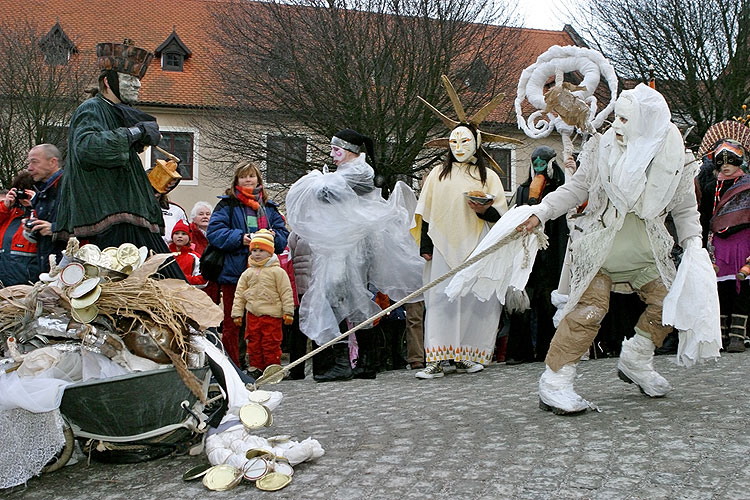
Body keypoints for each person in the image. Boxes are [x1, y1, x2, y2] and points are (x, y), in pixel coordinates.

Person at [518, 84, 705, 414]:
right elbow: (577, 188)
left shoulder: (676, 159)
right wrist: (541, 212)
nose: (616, 125)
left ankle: (637, 359)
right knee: (588, 312)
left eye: (625, 119)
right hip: (600, 253)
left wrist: (694, 248)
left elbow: (686, 210)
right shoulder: (602, 148)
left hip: (648, 256)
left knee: (671, 304)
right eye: (616, 116)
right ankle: (555, 382)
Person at [286, 128, 423, 382]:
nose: (332, 155)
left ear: (351, 151)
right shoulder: (347, 173)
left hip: (350, 250)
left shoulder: (361, 172)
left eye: (336, 150)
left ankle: (347, 362)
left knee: (343, 299)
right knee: (346, 301)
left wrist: (318, 184)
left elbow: (329, 195)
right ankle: (358, 363)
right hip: (342, 248)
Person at [411, 77, 515, 379]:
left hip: (477, 245)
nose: (458, 147)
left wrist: (485, 211)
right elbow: (425, 212)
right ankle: (437, 358)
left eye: (465, 141)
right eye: (454, 141)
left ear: (477, 144)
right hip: (442, 246)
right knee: (441, 300)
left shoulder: (489, 178)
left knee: (473, 301)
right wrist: (426, 247)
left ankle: (469, 354)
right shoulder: (437, 175)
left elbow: (501, 216)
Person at [54, 39, 184, 279]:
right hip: (108, 223)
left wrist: (155, 182)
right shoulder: (92, 108)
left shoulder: (117, 113)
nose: (136, 86)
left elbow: (120, 170)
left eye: (138, 81)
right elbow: (87, 148)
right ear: (107, 81)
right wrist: (136, 132)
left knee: (169, 287)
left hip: (129, 218)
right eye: (129, 80)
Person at [206, 162, 288, 365]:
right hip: (234, 272)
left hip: (265, 275)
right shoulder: (227, 205)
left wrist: (271, 237)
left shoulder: (269, 208)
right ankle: (233, 365)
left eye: (252, 176)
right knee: (233, 323)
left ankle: (261, 365)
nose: (248, 180)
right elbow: (214, 233)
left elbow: (282, 237)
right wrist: (241, 238)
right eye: (243, 177)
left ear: (259, 180)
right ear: (236, 181)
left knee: (263, 322)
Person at [505, 146, 568, 364]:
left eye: (543, 163)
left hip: (551, 253)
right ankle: (518, 351)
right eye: (536, 163)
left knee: (548, 302)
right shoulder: (523, 190)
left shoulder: (562, 190)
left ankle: (547, 349)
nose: (539, 168)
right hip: (527, 254)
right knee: (522, 299)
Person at [696, 125, 750, 352]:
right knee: (722, 287)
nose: (726, 166)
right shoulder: (710, 186)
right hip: (719, 242)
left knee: (743, 287)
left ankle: (738, 335)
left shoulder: (747, 184)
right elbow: (705, 214)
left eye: (731, 161)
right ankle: (721, 335)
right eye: (721, 161)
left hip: (744, 240)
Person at [230, 230, 294, 376]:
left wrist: (288, 311)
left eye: (261, 250)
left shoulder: (277, 272)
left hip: (272, 315)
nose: (257, 254)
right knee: (253, 342)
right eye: (254, 250)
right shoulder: (247, 273)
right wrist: (237, 313)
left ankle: (272, 367)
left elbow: (285, 292)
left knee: (271, 342)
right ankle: (256, 366)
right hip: (253, 315)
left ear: (270, 252)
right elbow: (240, 294)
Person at [26, 144, 64, 274]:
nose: (29, 168)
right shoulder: (41, 190)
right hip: (47, 268)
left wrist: (55, 229)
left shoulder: (70, 187)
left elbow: (89, 224)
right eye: (29, 163)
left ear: (53, 162)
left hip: (68, 271)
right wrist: (31, 228)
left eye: (34, 162)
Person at [0, 171, 40, 285]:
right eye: (21, 191)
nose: (24, 197)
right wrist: (5, 206)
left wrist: (37, 203)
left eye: (27, 191)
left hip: (29, 283)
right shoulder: (8, 214)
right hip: (4, 284)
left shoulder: (43, 212)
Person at [168, 220, 206, 287]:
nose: (180, 236)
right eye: (176, 233)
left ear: (189, 238)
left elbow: (202, 281)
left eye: (183, 234)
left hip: (187, 294)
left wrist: (182, 278)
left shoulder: (195, 257)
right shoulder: (165, 256)